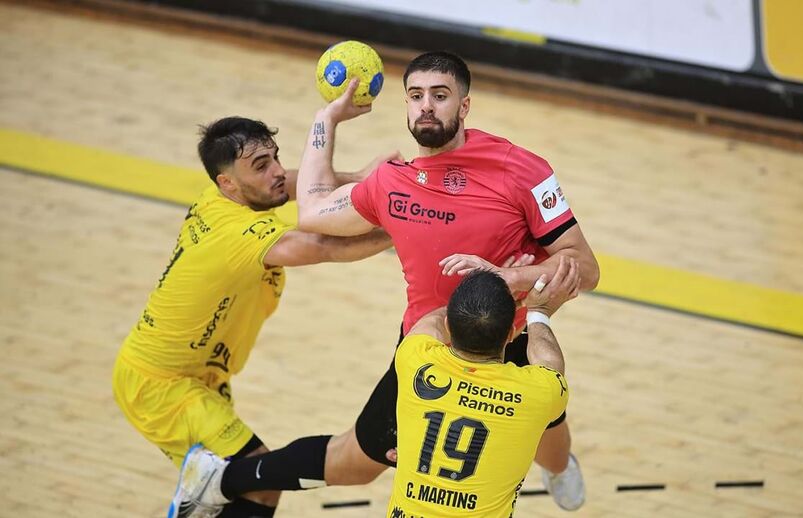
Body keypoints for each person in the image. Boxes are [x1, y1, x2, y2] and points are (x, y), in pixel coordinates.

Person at [170, 51, 599, 515]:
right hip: (425, 347)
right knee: (356, 462)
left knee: (551, 445)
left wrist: (506, 277)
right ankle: (221, 479)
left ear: (464, 105)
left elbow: (585, 267)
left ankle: (559, 468)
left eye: (440, 95)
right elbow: (312, 210)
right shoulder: (392, 185)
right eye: (416, 96)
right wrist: (326, 120)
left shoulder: (522, 169)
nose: (426, 106)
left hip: (510, 336)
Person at [111, 116, 393, 518]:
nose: (277, 171)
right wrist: (410, 222)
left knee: (246, 492)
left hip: (199, 375)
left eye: (275, 157)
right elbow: (325, 244)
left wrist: (360, 177)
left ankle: (205, 493)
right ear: (227, 182)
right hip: (161, 385)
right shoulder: (236, 235)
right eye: (261, 166)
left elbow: (292, 182)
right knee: (259, 484)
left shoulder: (224, 197)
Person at [387, 259, 580, 517]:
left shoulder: (414, 359)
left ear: (449, 326)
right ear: (511, 334)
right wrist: (537, 311)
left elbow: (430, 323)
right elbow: (550, 362)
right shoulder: (536, 392)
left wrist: (483, 303)